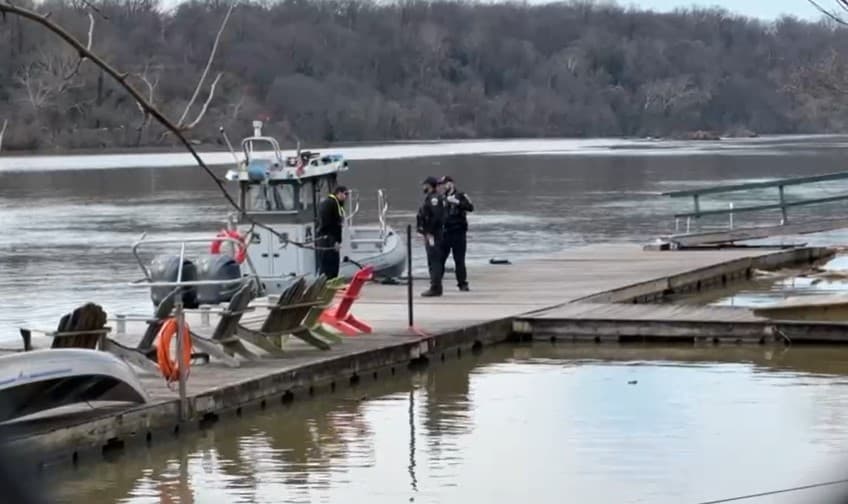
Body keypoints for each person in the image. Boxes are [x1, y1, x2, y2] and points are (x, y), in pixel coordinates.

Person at [439, 175, 474, 291]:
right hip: (445, 232)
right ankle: (436, 283)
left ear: (451, 183)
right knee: (440, 259)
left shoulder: (461, 195)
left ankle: (462, 283)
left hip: (458, 232)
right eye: (442, 184)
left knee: (459, 260)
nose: (443, 186)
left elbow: (470, 207)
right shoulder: (441, 198)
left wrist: (458, 202)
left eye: (445, 184)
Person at [416, 176, 446, 297]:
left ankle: (435, 287)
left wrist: (429, 232)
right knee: (432, 260)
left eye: (425, 185)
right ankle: (435, 286)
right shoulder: (430, 198)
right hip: (431, 234)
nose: (423, 187)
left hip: (434, 235)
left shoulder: (434, 199)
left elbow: (437, 217)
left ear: (429, 185)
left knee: (434, 260)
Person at [316, 185, 347, 278]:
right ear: (339, 193)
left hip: (331, 238)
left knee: (334, 263)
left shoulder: (336, 203)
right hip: (327, 240)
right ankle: (326, 282)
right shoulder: (329, 203)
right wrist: (333, 241)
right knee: (328, 264)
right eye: (345, 194)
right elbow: (326, 224)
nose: (346, 197)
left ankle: (332, 280)